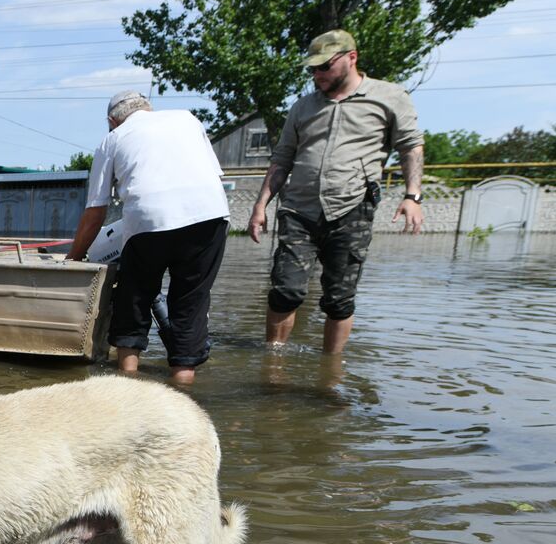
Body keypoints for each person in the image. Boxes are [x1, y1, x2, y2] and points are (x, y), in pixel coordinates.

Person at [247, 30, 425, 355]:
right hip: (298, 210)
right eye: (312, 69)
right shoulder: (302, 107)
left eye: (324, 67)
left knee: (339, 297)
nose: (317, 75)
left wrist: (412, 196)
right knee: (285, 289)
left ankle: (330, 371)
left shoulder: (388, 97)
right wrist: (261, 206)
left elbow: (411, 145)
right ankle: (272, 363)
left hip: (352, 209)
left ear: (351, 57)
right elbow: (282, 158)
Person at [67, 91, 230, 383]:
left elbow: (95, 211)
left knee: (135, 297)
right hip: (210, 216)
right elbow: (214, 176)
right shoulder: (187, 119)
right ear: (148, 109)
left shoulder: (113, 138)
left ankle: (128, 382)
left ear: (111, 120)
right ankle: (184, 387)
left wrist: (74, 258)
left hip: (149, 218)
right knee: (190, 305)